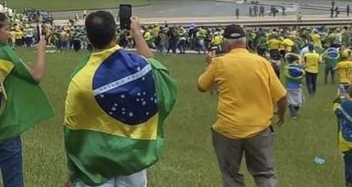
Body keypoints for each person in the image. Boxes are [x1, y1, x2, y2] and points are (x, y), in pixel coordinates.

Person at [64, 12, 176, 187]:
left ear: (88, 38)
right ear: (115, 34)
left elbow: (73, 129)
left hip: (96, 162)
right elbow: (158, 72)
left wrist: (74, 172)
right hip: (132, 156)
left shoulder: (80, 78)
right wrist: (137, 34)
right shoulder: (139, 66)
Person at [0, 10, 53, 187]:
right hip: (6, 127)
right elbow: (36, 76)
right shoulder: (2, 51)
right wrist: (41, 51)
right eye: (7, 28)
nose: (10, 32)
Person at [197, 24, 287, 187]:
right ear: (246, 42)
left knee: (231, 176)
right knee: (265, 174)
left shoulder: (219, 63)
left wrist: (210, 64)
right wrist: (281, 113)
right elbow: (281, 95)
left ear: (226, 43)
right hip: (259, 127)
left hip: (228, 129)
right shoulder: (262, 62)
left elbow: (201, 86)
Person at [334, 84, 352, 187]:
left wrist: (339, 97)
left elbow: (336, 111)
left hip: (347, 142)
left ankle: (349, 184)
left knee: (349, 163)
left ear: (349, 94)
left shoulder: (344, 105)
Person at [284, 54, 305, 119]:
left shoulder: (287, 67)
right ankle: (295, 113)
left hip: (289, 86)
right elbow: (302, 74)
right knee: (298, 101)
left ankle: (293, 114)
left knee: (290, 101)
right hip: (297, 86)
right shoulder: (298, 68)